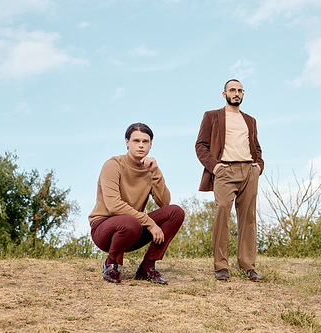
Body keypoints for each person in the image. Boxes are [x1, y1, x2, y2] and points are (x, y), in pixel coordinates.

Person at [89, 123, 184, 284]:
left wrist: (155, 171)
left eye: (145, 141)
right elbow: (114, 205)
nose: (141, 145)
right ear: (127, 142)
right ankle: (110, 264)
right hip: (104, 229)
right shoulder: (113, 165)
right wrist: (149, 223)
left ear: (151, 144)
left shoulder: (149, 170)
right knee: (130, 221)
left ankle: (147, 268)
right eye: (136, 141)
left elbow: (164, 202)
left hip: (134, 229)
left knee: (176, 212)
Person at [195, 79, 264, 281]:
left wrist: (258, 166)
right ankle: (221, 266)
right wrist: (214, 166)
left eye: (240, 90)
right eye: (232, 90)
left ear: (243, 94)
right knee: (223, 211)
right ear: (224, 94)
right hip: (224, 169)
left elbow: (256, 148)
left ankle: (247, 266)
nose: (236, 93)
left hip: (249, 171)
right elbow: (200, 145)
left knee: (248, 218)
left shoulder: (250, 120)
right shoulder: (212, 116)